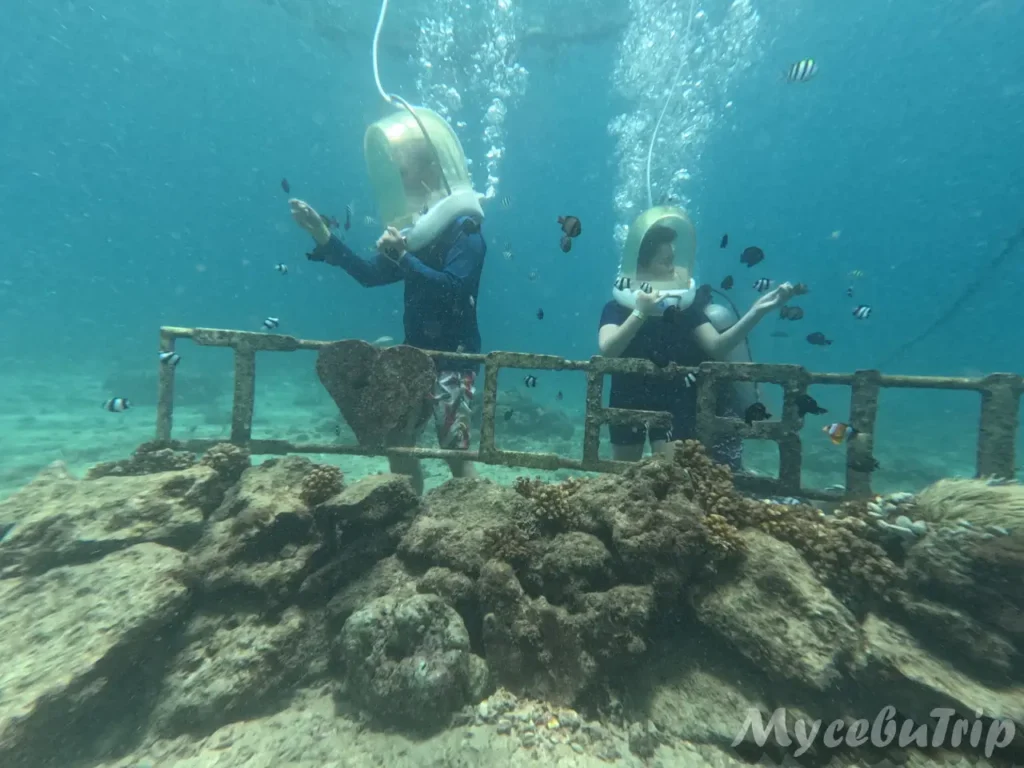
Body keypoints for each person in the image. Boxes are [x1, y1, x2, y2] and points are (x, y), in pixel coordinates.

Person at [292, 106, 488, 495]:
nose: (402, 183)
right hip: (413, 357)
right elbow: (369, 275)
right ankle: (405, 517)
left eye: (404, 174)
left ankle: (472, 520)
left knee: (455, 450)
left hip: (455, 358)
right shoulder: (418, 236)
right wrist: (323, 236)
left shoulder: (465, 234)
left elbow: (453, 288)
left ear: (432, 172)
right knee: (398, 444)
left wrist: (403, 258)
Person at [598, 208, 794, 465]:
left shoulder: (683, 309)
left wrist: (757, 312)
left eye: (673, 259)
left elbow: (717, 346)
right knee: (624, 474)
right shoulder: (616, 308)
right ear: (642, 266)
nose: (672, 268)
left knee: (669, 478)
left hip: (671, 402)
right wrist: (640, 313)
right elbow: (608, 350)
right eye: (664, 261)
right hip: (626, 397)